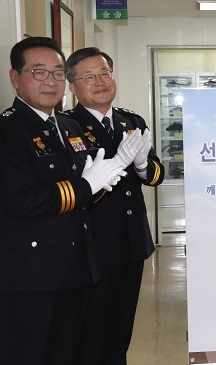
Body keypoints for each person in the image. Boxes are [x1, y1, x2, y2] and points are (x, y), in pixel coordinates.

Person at [0, 37, 125, 364]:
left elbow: (83, 196)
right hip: (32, 276)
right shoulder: (9, 131)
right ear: (16, 78)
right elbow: (24, 201)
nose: (51, 81)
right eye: (39, 72)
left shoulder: (69, 125)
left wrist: (100, 185)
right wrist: (87, 186)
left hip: (77, 269)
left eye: (58, 73)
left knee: (69, 353)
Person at [65, 47, 165, 365]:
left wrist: (140, 166)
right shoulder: (66, 127)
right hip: (91, 245)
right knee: (92, 330)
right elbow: (73, 189)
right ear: (72, 86)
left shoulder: (130, 121)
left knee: (121, 329)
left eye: (105, 73)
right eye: (89, 76)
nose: (100, 81)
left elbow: (156, 174)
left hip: (131, 242)